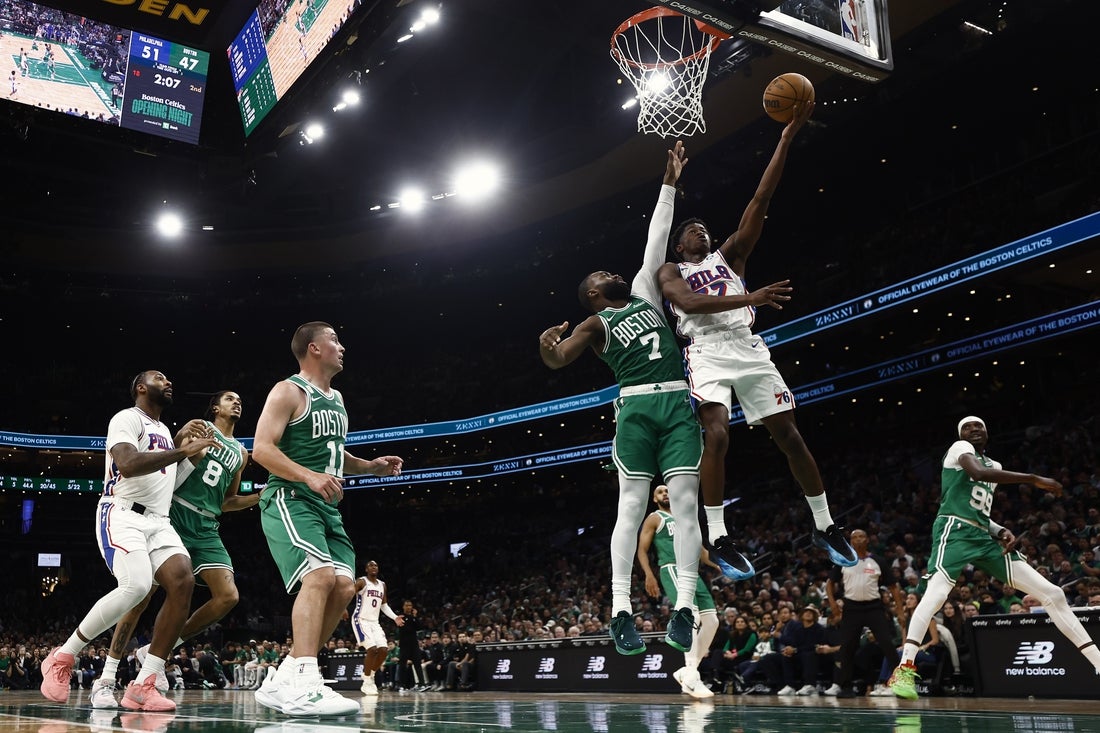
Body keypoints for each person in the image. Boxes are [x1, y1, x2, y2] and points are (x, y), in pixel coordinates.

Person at [539, 141, 791, 657]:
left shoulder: (644, 291)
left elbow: (657, 236)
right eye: (601, 275)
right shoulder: (594, 322)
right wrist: (546, 348)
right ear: (592, 293)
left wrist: (669, 184)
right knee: (631, 507)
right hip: (635, 408)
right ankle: (620, 610)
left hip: (677, 404)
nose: (611, 272)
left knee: (684, 505)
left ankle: (685, 609)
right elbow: (560, 359)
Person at [657, 101, 857, 576]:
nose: (702, 232)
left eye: (705, 229)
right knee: (717, 435)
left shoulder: (729, 257)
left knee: (789, 435)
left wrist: (786, 138)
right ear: (680, 245)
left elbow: (760, 199)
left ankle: (825, 525)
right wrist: (753, 296)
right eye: (693, 231)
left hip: (746, 346)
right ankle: (719, 536)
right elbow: (690, 305)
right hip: (705, 351)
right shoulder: (671, 270)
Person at [39, 371, 216, 712]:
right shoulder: (127, 418)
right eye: (160, 378)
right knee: (136, 587)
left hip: (158, 521)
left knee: (183, 581)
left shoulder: (165, 434)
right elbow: (129, 464)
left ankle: (143, 684)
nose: (169, 382)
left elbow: (167, 483)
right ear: (141, 387)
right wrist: (183, 450)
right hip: (122, 512)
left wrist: (191, 458)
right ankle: (63, 656)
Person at [888, 416, 1100, 699]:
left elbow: (979, 512)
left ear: (987, 434)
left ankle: (1098, 663)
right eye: (967, 427)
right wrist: (1033, 479)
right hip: (954, 531)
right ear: (961, 435)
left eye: (979, 426)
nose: (973, 430)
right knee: (936, 596)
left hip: (981, 536)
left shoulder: (995, 466)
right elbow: (977, 474)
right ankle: (904, 669)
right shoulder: (960, 449)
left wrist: (1000, 530)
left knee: (1054, 594)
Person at [252, 321, 403, 717]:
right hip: (290, 497)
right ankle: (306, 682)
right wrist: (308, 476)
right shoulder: (288, 390)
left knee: (343, 587)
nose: (342, 346)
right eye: (334, 339)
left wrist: (369, 466)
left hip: (326, 507)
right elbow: (262, 450)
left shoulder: (337, 399)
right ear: (314, 348)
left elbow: (335, 454)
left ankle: (284, 678)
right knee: (318, 577)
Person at [91, 390, 257, 709]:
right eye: (229, 399)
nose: (237, 402)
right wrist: (182, 439)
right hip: (175, 513)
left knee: (228, 596)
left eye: (240, 399)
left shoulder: (241, 452)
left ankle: (156, 651)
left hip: (207, 526)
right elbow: (168, 468)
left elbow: (227, 500)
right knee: (141, 596)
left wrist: (258, 498)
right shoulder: (199, 429)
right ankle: (106, 677)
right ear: (214, 407)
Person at [637, 484, 720, 698]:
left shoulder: (685, 518)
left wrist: (720, 565)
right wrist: (649, 574)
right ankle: (692, 678)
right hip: (672, 568)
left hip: (692, 570)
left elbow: (701, 551)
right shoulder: (655, 518)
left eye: (667, 490)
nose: (665, 493)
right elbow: (642, 550)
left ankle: (688, 672)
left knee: (712, 621)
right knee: (690, 616)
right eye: (660, 492)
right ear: (654, 499)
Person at [824, 528, 903, 697]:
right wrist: (833, 604)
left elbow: (893, 587)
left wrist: (900, 611)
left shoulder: (878, 561)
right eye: (855, 537)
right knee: (847, 647)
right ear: (851, 542)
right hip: (851, 608)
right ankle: (845, 687)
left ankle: (902, 683)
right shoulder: (843, 560)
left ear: (867, 540)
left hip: (874, 607)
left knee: (887, 644)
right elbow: (830, 583)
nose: (858, 539)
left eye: (861, 536)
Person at [350, 560, 404, 695]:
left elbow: (384, 605)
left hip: (374, 622)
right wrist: (342, 608)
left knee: (384, 650)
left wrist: (394, 617)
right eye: (370, 565)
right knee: (372, 649)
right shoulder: (361, 581)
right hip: (360, 619)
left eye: (375, 565)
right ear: (366, 569)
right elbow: (349, 594)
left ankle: (369, 675)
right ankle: (367, 681)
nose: (373, 567)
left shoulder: (382, 585)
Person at [395, 599, 428, 692]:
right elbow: (406, 629)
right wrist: (412, 621)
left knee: (417, 664)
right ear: (403, 607)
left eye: (410, 605)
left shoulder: (413, 617)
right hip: (404, 644)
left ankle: (422, 684)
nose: (409, 607)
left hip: (414, 644)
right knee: (402, 665)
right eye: (407, 605)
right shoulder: (400, 617)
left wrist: (415, 617)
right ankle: (401, 685)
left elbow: (419, 627)